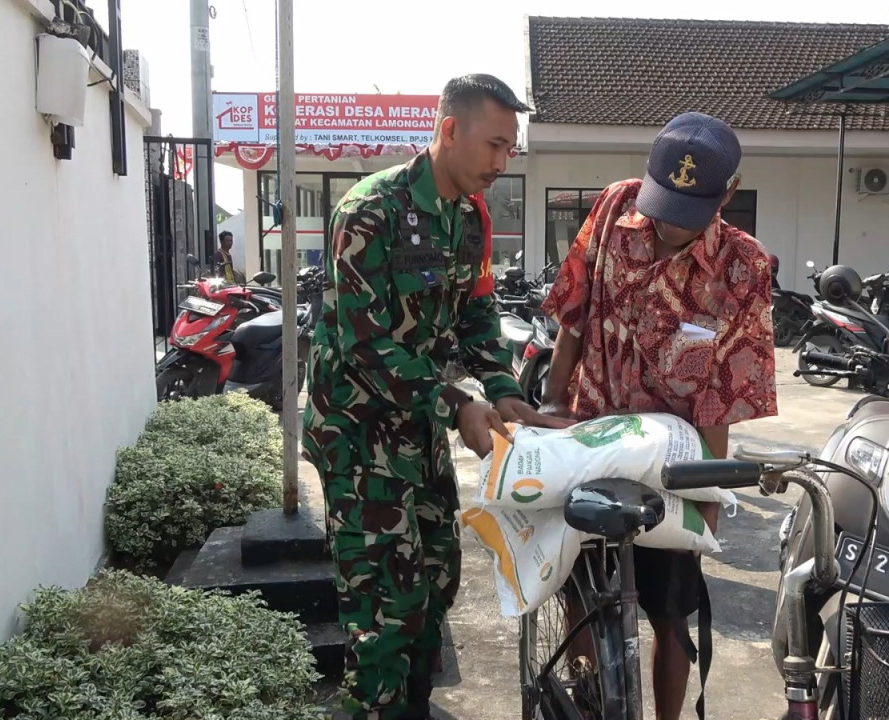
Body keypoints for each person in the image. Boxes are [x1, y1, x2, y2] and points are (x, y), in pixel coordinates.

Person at [302, 74, 574, 720]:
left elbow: (478, 316)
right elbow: (365, 346)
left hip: (416, 424)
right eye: (494, 146)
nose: (502, 163)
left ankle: (412, 706)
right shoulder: (372, 210)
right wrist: (457, 404)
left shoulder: (468, 218)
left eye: (511, 150)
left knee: (437, 581)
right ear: (450, 131)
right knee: (385, 608)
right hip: (357, 430)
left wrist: (504, 390)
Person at [539, 111, 779, 720]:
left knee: (673, 608)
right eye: (663, 204)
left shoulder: (744, 268)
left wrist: (710, 493)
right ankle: (589, 690)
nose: (670, 225)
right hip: (591, 428)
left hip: (671, 458)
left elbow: (724, 393)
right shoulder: (615, 208)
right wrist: (550, 402)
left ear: (727, 193)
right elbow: (572, 312)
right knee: (577, 577)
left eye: (688, 211)